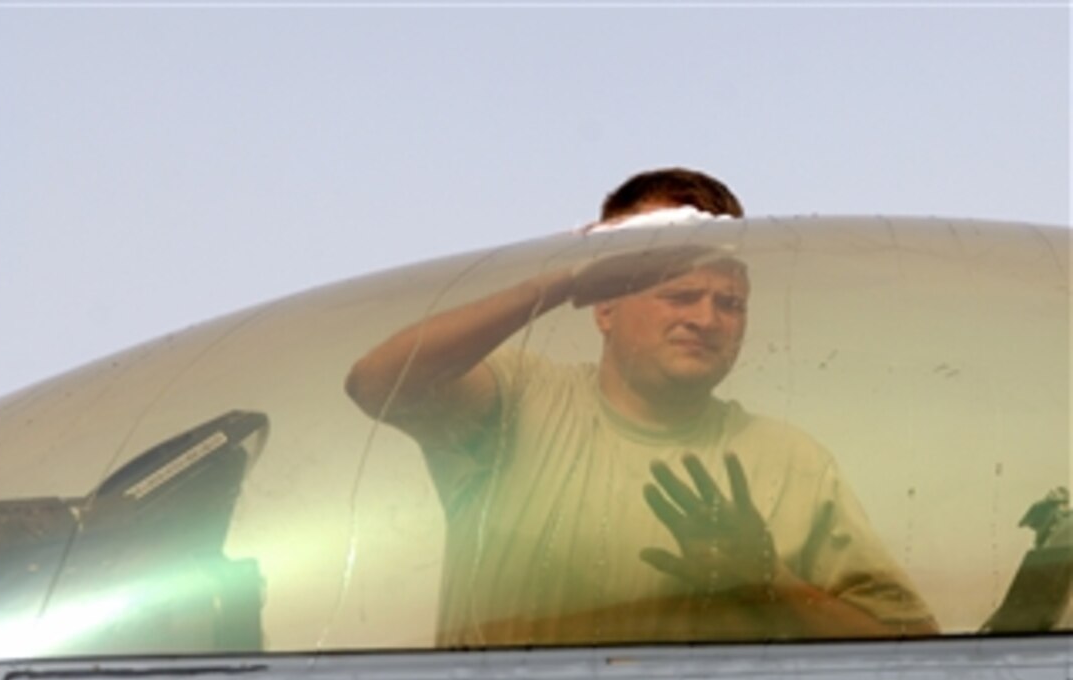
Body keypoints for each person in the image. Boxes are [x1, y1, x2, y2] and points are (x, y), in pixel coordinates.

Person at [346, 168, 936, 646]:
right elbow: (376, 382)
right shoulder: (523, 401)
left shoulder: (791, 461)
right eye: (679, 294)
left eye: (730, 302)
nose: (706, 319)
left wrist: (767, 586)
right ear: (605, 306)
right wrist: (559, 282)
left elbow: (908, 650)